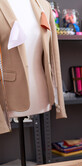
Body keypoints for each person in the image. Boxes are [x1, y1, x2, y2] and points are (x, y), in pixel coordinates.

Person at [0, 0, 66, 134]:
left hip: (41, 92)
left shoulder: (44, 6)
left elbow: (53, 54)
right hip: (10, 95)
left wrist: (59, 100)